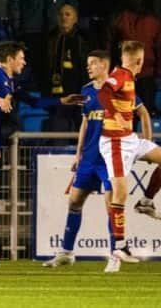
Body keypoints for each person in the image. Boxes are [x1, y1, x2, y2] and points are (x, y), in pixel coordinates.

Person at [0, 41, 83, 266]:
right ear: (10, 59)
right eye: (21, 57)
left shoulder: (10, 81)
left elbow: (33, 100)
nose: (24, 61)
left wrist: (62, 101)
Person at [43, 50, 143, 267]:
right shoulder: (86, 91)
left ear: (103, 65)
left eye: (92, 64)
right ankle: (67, 253)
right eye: (87, 64)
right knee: (75, 201)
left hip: (111, 157)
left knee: (111, 205)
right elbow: (85, 123)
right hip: (89, 158)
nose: (88, 67)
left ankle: (114, 256)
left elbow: (141, 112)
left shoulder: (121, 86)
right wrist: (78, 154)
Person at [96, 40, 161, 272]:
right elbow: (103, 91)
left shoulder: (128, 78)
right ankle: (120, 247)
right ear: (139, 60)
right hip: (115, 142)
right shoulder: (121, 75)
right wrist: (116, 114)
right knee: (120, 193)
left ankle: (146, 201)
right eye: (143, 60)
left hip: (130, 139)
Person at [110, 0, 161, 114]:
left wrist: (158, 74)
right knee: (125, 115)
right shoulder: (119, 19)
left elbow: (159, 48)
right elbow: (111, 48)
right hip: (124, 75)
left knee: (146, 113)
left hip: (147, 77)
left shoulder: (153, 20)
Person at [46, 4, 89, 130]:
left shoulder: (83, 38)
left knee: (80, 128)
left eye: (68, 14)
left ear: (75, 19)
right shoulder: (50, 38)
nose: (64, 17)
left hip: (79, 91)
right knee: (59, 127)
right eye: (61, 14)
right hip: (56, 94)